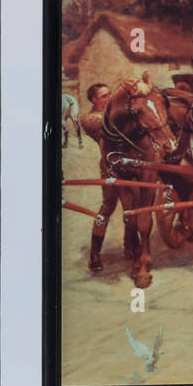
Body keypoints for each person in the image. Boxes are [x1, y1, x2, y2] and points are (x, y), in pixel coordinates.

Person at [79, 82, 118, 272]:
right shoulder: (89, 119)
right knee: (108, 206)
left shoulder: (115, 112)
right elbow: (109, 126)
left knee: (133, 205)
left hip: (131, 164)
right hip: (110, 166)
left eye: (110, 94)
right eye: (103, 96)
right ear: (93, 99)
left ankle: (132, 246)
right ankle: (95, 253)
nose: (109, 98)